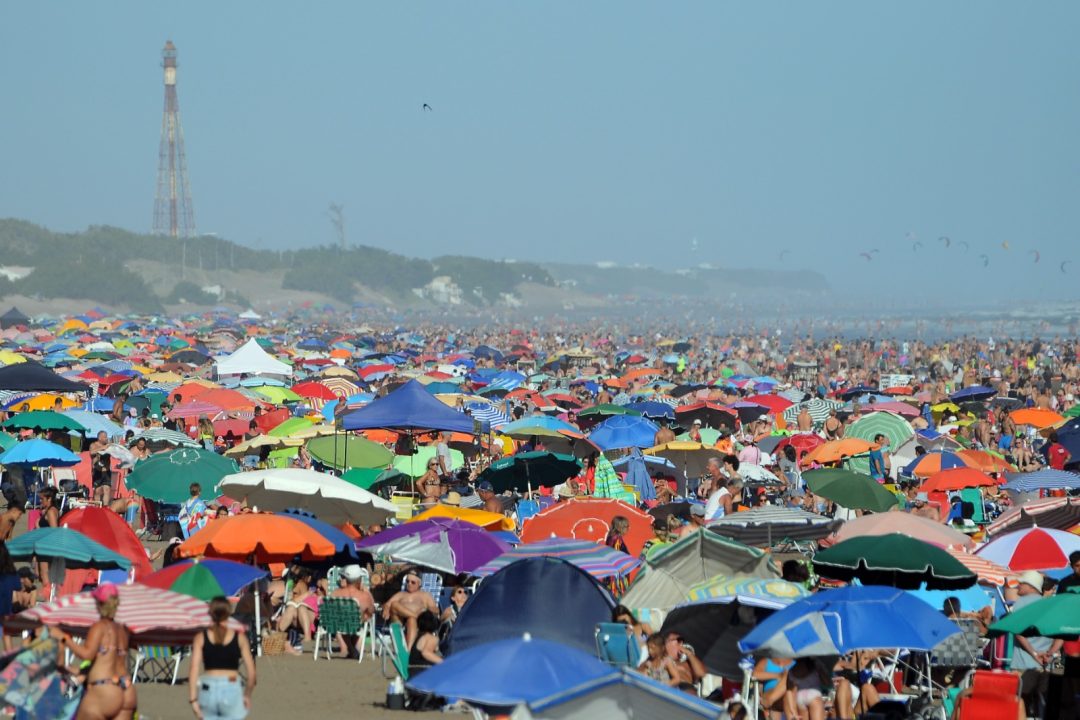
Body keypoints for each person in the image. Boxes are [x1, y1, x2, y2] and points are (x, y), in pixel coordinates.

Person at [51, 583, 137, 719]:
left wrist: (63, 638)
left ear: (99, 603)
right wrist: (73, 670)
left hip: (104, 690)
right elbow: (106, 661)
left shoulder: (100, 627)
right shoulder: (122, 629)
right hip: (125, 688)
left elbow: (87, 654)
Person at [189, 596, 256, 719]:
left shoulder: (201, 637)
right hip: (231, 685)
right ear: (229, 613)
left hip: (208, 687)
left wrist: (193, 699)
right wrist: (247, 694)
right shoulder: (239, 637)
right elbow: (251, 673)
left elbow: (194, 668)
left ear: (210, 613)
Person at [1009, 570, 1053, 717]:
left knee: (1020, 704)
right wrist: (1050, 653)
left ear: (1031, 585)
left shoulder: (1021, 603)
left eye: (1021, 583)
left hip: (1024, 664)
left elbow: (1018, 631)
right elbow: (1058, 634)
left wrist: (1034, 654)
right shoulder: (1048, 604)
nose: (1018, 586)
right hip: (1046, 664)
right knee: (1041, 705)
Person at [382, 570, 438, 649]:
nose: (409, 584)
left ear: (419, 584)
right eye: (407, 581)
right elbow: (387, 604)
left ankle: (408, 650)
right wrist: (386, 608)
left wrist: (425, 609)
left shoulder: (425, 595)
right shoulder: (401, 594)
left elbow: (435, 610)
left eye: (413, 582)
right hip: (399, 622)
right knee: (394, 604)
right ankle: (415, 616)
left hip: (417, 623)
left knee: (411, 619)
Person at [330, 565, 375, 659]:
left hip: (337, 624)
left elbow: (329, 608)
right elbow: (372, 611)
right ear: (359, 580)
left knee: (344, 620)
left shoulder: (335, 593)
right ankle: (352, 649)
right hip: (355, 624)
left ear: (345, 579)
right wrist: (367, 591)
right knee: (364, 616)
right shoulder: (364, 596)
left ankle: (350, 649)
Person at [89, 430, 114, 506]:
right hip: (97, 471)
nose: (106, 438)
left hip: (106, 471)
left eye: (106, 436)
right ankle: (97, 507)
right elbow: (91, 452)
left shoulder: (108, 445)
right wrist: (102, 448)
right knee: (98, 491)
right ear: (99, 437)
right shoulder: (94, 445)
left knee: (107, 489)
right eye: (104, 437)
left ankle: (105, 508)